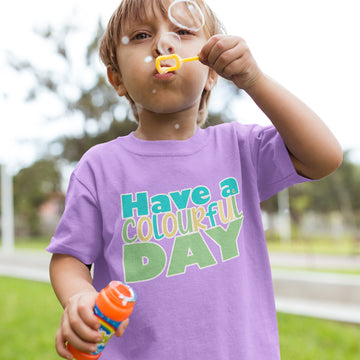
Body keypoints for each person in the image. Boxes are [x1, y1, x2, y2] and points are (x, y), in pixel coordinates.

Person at [47, 0, 343, 359]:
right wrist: (79, 296)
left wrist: (254, 80)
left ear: (212, 70)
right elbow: (69, 258)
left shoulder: (240, 149)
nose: (163, 45)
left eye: (183, 32)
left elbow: (324, 157)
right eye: (142, 35)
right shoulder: (100, 168)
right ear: (117, 79)